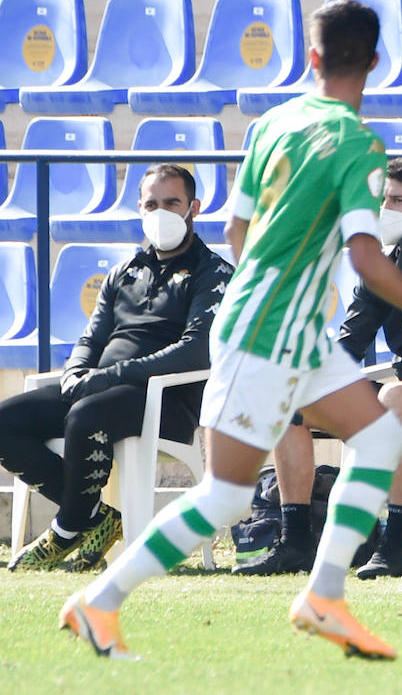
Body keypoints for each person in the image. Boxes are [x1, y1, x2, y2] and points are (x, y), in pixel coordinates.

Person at [59, 0, 402, 661]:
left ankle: (323, 593)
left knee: (377, 437)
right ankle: (102, 600)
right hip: (272, 328)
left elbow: (236, 231)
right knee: (226, 494)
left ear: (311, 57)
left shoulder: (273, 124)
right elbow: (368, 257)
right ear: (375, 62)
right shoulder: (358, 143)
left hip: (276, 323)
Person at [234, 156, 402, 579]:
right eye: (379, 200)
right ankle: (296, 542)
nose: (383, 211)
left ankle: (395, 546)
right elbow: (349, 344)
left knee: (395, 396)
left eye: (396, 200)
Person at [0, 164, 231, 573]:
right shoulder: (124, 272)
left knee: (88, 414)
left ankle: (68, 529)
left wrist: (110, 377)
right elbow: (92, 337)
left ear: (193, 207)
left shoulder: (213, 273)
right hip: (101, 388)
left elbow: (196, 352)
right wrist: (76, 372)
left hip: (164, 399)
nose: (161, 212)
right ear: (140, 209)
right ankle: (98, 518)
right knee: (6, 420)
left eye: (172, 203)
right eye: (151, 204)